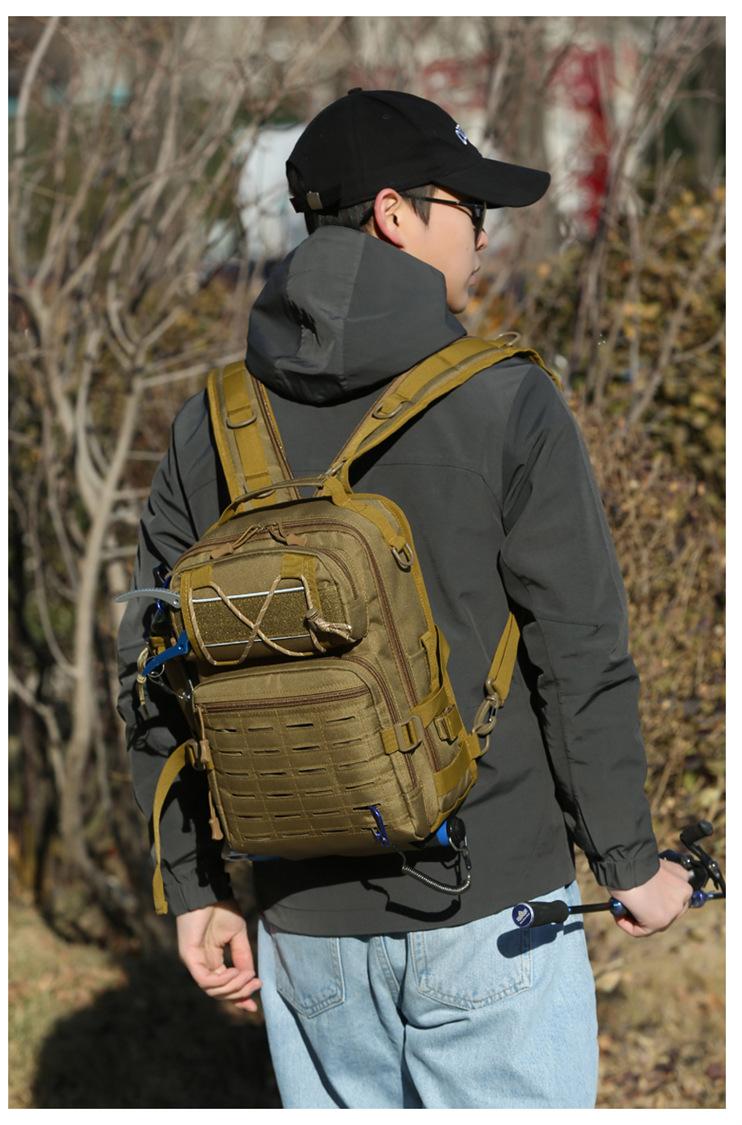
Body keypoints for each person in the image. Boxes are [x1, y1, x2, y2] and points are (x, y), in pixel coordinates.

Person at [117, 88, 692, 1109]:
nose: (484, 232)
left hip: (303, 929)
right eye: (470, 207)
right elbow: (579, 652)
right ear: (394, 213)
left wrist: (194, 887)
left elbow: (154, 668)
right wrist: (631, 863)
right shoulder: (508, 397)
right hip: (493, 914)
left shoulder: (213, 420)